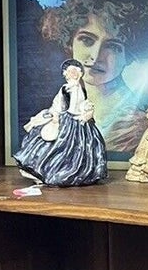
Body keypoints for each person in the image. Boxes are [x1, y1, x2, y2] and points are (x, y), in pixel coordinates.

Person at [34, 0, 148, 158]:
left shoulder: (133, 125)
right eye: (87, 40)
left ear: (130, 55)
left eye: (113, 47)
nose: (95, 57)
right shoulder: (67, 101)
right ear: (69, 42)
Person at [13, 58, 109, 187]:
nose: (73, 74)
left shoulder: (79, 88)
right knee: (52, 142)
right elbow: (58, 104)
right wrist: (54, 114)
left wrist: (86, 110)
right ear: (65, 74)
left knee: (80, 148)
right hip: (69, 119)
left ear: (80, 73)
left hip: (79, 121)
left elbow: (79, 104)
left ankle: (75, 173)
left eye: (75, 71)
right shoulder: (66, 88)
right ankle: (44, 170)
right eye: (70, 71)